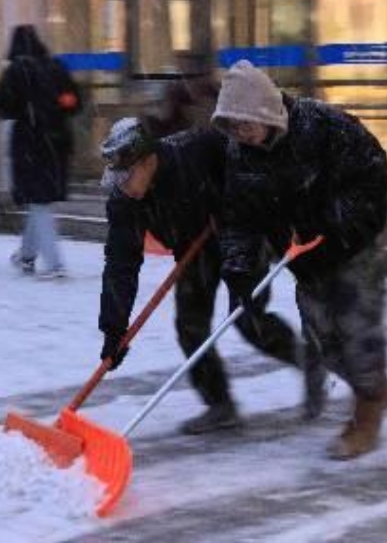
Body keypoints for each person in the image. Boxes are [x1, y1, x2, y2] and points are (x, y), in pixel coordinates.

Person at [212, 60, 387, 459]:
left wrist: (330, 222)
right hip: (303, 260)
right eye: (231, 125)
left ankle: (367, 416)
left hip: (351, 249)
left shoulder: (322, 127)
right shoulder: (241, 154)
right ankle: (376, 389)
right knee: (326, 342)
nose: (240, 133)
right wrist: (239, 266)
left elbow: (372, 175)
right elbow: (239, 216)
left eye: (245, 123)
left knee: (357, 334)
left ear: (267, 112)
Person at [97, 117, 315, 434]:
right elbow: (121, 263)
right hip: (193, 246)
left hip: (241, 232)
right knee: (190, 325)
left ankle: (309, 361)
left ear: (147, 161)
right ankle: (220, 404)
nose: (121, 185)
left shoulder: (196, 149)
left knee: (247, 318)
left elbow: (253, 169)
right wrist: (114, 329)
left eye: (126, 176)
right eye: (117, 177)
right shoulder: (124, 200)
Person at [0, 25, 81, 279]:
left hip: (30, 144)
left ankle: (55, 265)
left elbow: (2, 107)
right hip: (57, 142)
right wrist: (58, 107)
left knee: (38, 201)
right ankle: (27, 255)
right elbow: (74, 101)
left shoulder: (16, 71)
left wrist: (26, 109)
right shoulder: (56, 67)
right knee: (39, 200)